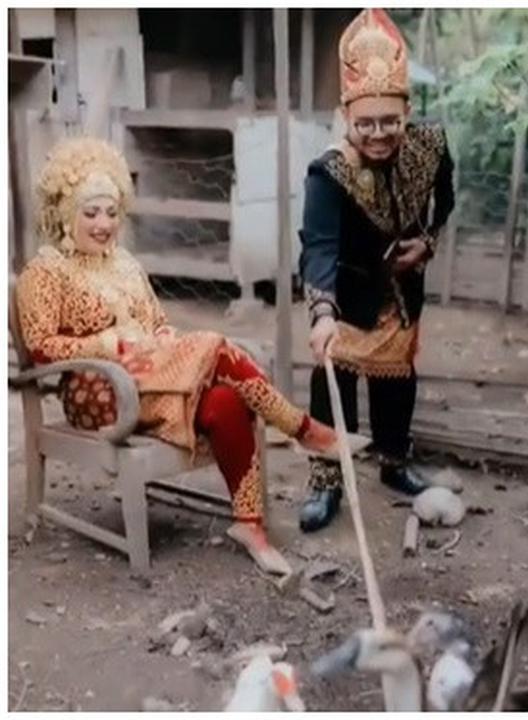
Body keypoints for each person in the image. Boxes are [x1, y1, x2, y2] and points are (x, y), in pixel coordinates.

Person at [14, 137, 349, 574]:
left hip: (151, 372)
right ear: (64, 212)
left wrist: (165, 341)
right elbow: (41, 347)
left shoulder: (126, 265)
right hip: (97, 388)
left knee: (227, 401)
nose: (104, 224)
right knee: (215, 344)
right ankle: (301, 428)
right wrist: (108, 344)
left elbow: (157, 324)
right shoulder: (45, 270)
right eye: (91, 212)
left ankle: (249, 524)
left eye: (112, 212)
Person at [298, 8, 455, 533]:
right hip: (345, 290)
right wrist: (321, 310)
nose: (379, 134)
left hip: (401, 289)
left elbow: (447, 199)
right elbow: (317, 245)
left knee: (397, 380)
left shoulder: (430, 148)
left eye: (390, 120)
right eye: (366, 123)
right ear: (348, 117)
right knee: (333, 381)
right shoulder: (329, 171)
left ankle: (394, 463)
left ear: (407, 112)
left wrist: (427, 243)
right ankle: (326, 481)